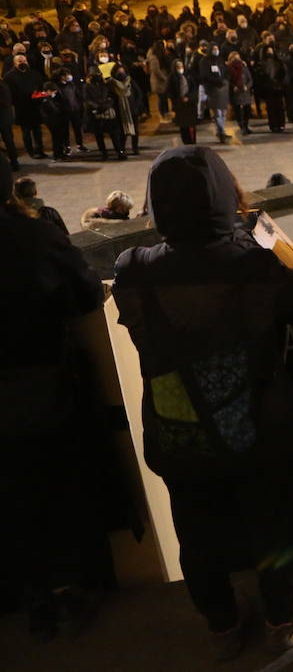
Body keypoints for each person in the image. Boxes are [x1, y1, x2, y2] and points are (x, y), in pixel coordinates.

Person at [113, 147, 293, 658]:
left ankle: (221, 623)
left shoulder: (132, 269)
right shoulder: (253, 264)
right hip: (256, 424)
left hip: (180, 428)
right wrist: (249, 236)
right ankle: (280, 616)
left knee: (195, 531)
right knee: (270, 523)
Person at [1, 157, 107, 643]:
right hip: (34, 388)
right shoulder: (34, 236)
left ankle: (30, 597)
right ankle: (64, 593)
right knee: (51, 485)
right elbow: (86, 294)